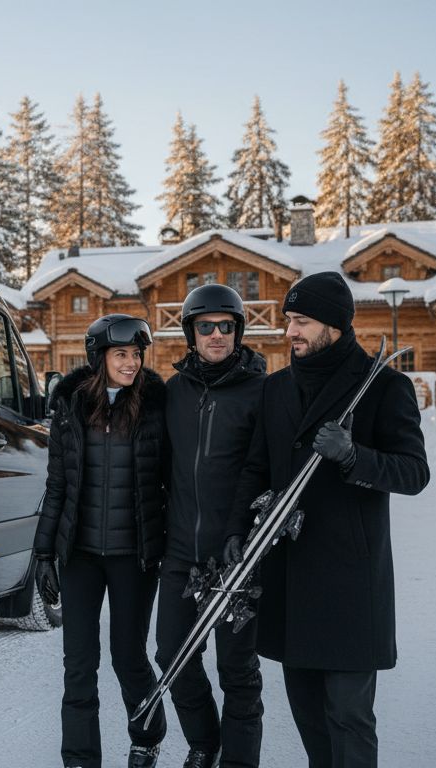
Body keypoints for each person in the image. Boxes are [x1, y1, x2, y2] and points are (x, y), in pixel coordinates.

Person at [227, 271, 430, 767]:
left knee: (349, 716)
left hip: (350, 581)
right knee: (309, 714)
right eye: (288, 321)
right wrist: (236, 529)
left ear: (335, 325)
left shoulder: (383, 386)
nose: (290, 332)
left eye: (302, 321)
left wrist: (353, 456)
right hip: (291, 577)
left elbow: (414, 472)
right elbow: (256, 466)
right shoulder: (275, 389)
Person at [35, 313, 169, 768]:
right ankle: (79, 758)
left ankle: (146, 735)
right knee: (79, 665)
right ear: (99, 358)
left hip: (135, 555)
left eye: (136, 354)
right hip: (81, 556)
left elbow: (172, 482)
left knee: (128, 657)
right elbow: (57, 486)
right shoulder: (71, 409)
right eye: (121, 355)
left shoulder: (156, 406)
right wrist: (42, 552)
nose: (131, 363)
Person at [158, 284, 267, 768]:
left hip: (237, 554)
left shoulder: (262, 392)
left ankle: (238, 762)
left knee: (236, 671)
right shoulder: (174, 392)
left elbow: (270, 469)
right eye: (207, 326)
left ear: (239, 331)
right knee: (172, 656)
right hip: (182, 551)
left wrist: (246, 535)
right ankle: (204, 742)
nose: (217, 334)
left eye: (227, 325)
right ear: (191, 333)